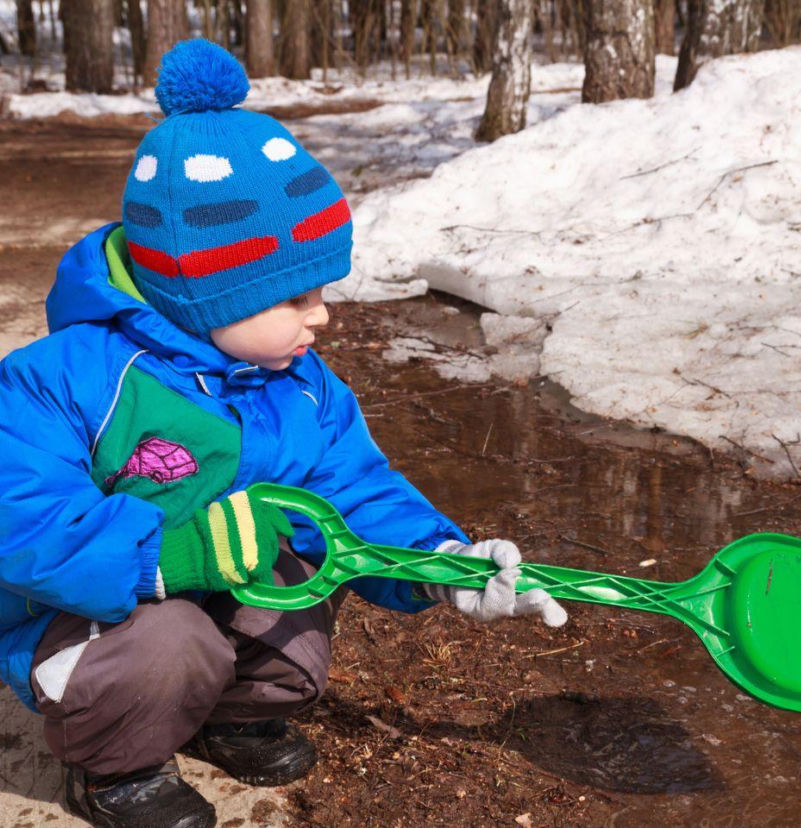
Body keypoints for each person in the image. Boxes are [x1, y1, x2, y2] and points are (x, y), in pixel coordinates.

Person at [0, 39, 566, 828]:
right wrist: (169, 557)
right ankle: (114, 768)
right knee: (171, 647)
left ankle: (226, 718)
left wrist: (442, 563)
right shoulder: (66, 378)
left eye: (322, 289)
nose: (322, 315)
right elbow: (22, 523)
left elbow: (358, 493)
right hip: (98, 620)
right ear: (201, 295)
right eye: (295, 296)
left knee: (298, 625)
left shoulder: (303, 388)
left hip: (207, 606)